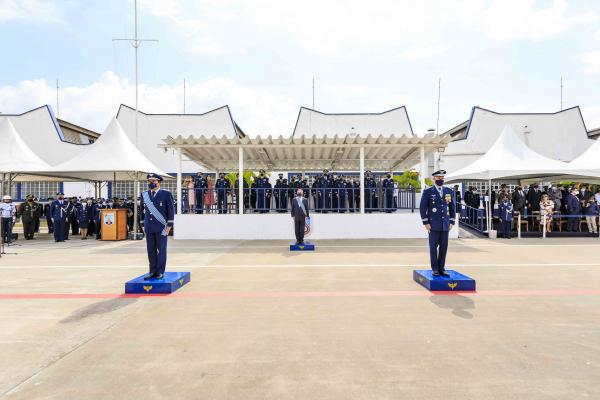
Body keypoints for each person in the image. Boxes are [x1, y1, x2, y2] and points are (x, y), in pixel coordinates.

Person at [419, 170, 456, 277]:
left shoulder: (448, 191)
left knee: (444, 247)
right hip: (433, 224)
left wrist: (452, 221)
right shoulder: (428, 191)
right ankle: (435, 269)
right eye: (438, 178)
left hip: (445, 224)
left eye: (442, 178)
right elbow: (422, 208)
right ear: (433, 179)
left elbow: (452, 207)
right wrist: (425, 222)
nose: (440, 180)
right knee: (433, 247)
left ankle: (442, 268)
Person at [140, 173, 174, 280]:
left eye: (153, 181)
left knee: (161, 249)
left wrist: (169, 226)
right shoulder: (144, 194)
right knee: (150, 249)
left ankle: (160, 271)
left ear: (158, 182)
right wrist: (142, 225)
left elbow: (171, 211)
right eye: (150, 181)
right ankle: (152, 271)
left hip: (162, 227)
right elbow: (142, 211)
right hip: (149, 227)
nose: (151, 183)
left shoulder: (166, 194)